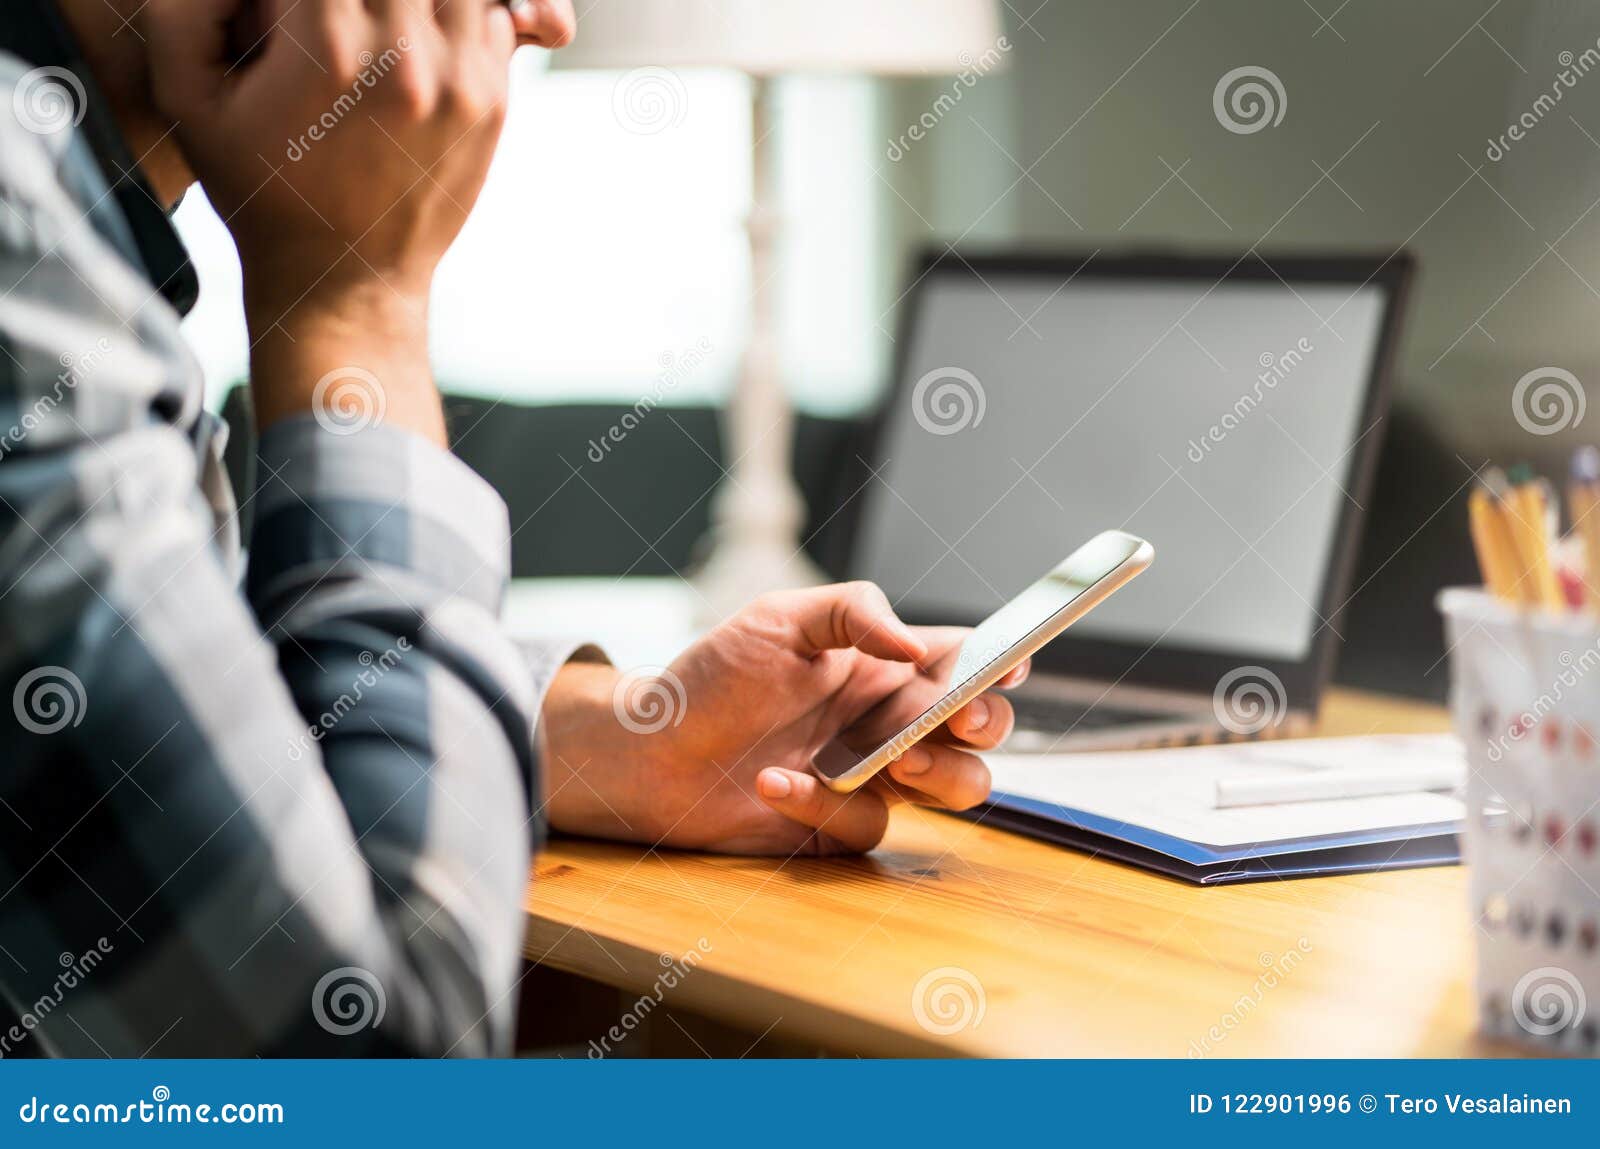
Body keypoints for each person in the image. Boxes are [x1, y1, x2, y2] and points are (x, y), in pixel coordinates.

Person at [0, 0, 1024, 1056]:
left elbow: (163, 744)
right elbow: (377, 1067)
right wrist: (353, 302)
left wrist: (612, 741)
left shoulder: (82, 239)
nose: (546, 20)